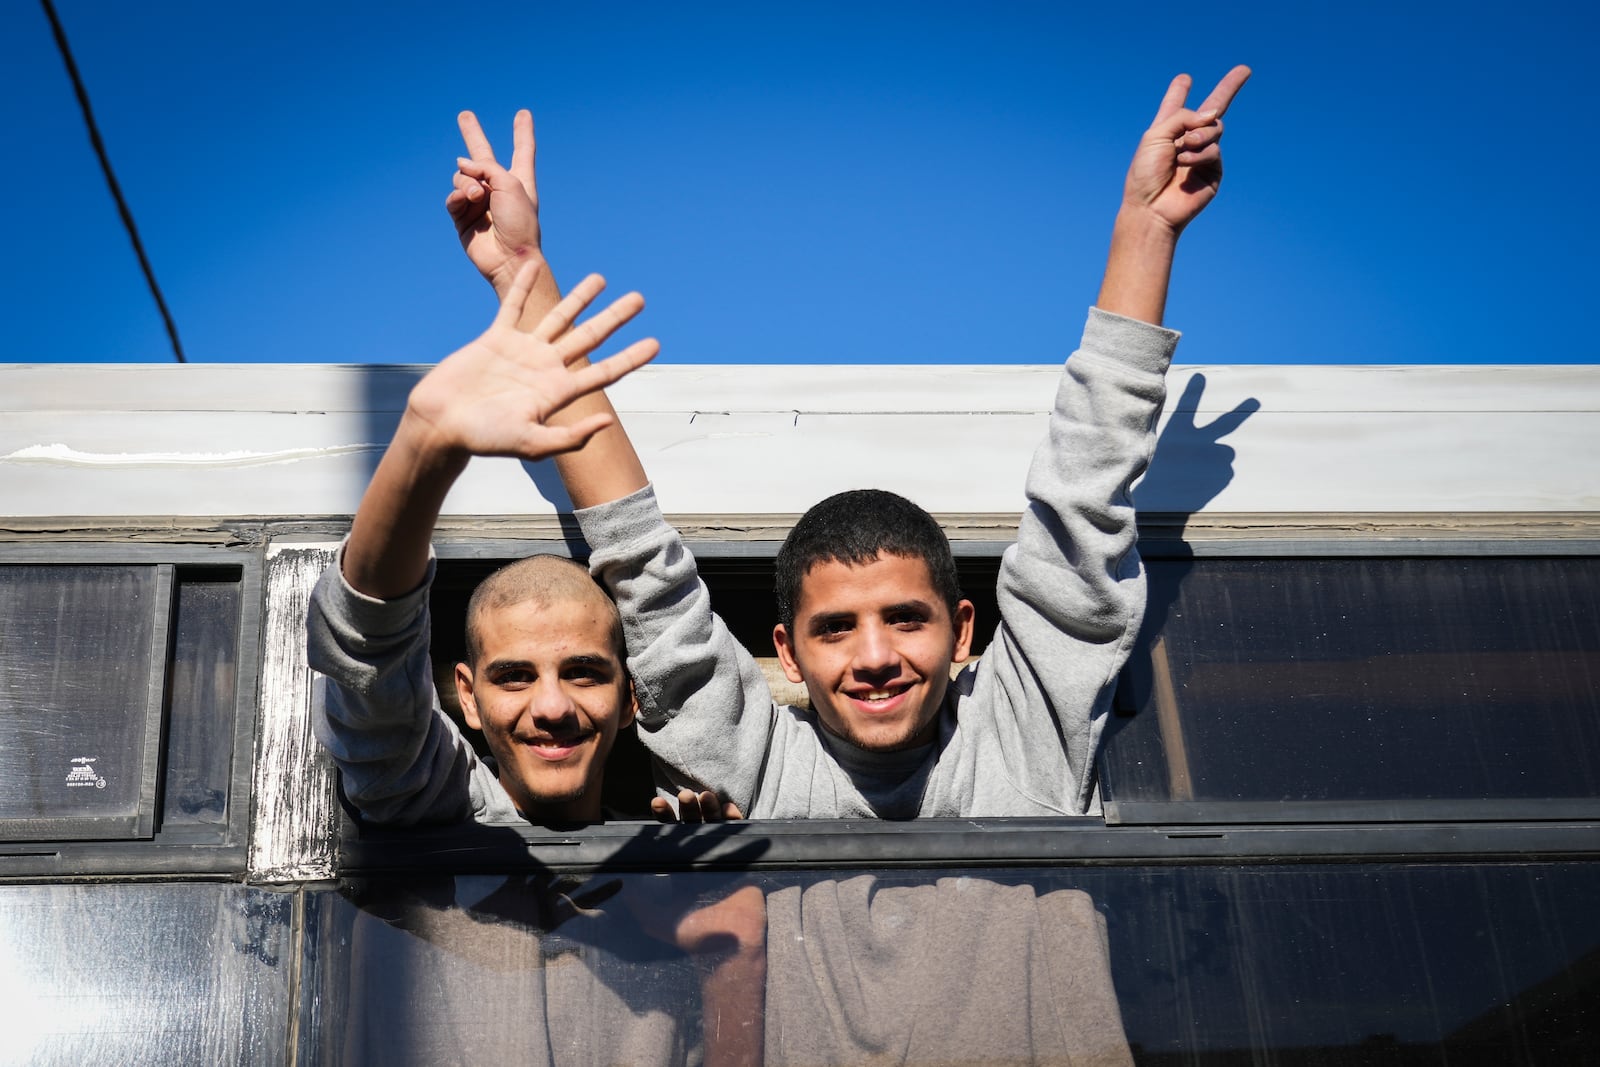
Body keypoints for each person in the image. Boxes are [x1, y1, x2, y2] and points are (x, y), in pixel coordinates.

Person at [448, 67, 1248, 818]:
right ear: (786, 654)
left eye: (906, 618)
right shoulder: (756, 772)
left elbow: (1083, 500)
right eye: (833, 627)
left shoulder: (1021, 739)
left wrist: (1146, 230)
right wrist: (524, 274)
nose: (874, 656)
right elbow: (635, 548)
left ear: (964, 631)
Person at [305, 260, 683, 826]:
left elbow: (647, 564)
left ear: (631, 697)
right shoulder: (437, 808)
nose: (552, 708)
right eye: (513, 677)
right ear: (468, 695)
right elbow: (366, 651)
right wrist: (426, 443)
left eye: (584, 672)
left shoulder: (672, 862)